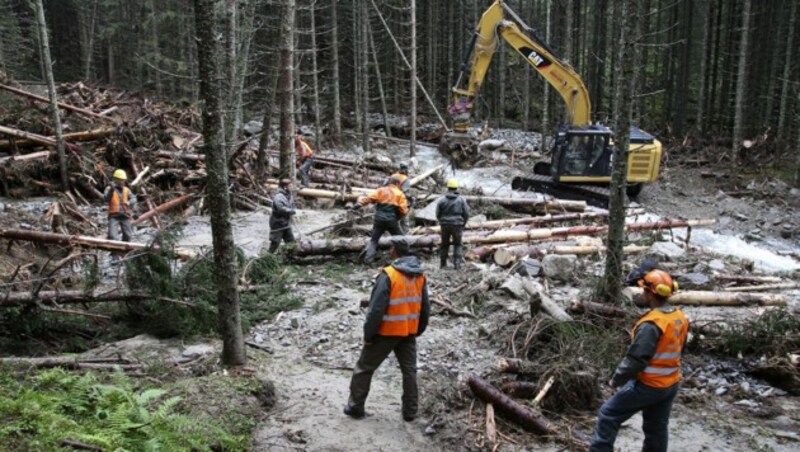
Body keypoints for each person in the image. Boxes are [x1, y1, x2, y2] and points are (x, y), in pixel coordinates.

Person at [590, 269, 688, 452]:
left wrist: (615, 379)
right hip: (670, 383)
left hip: (649, 385)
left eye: (644, 290)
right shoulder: (679, 317)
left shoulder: (652, 324)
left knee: (608, 414)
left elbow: (636, 359)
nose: (642, 293)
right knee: (656, 427)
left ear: (650, 293)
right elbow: (681, 349)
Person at [344, 237, 430, 421]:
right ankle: (410, 411)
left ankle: (355, 406)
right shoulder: (420, 275)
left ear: (394, 251)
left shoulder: (389, 275)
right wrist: (418, 329)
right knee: (409, 371)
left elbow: (376, 310)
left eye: (391, 248)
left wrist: (368, 334)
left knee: (364, 367)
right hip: (408, 331)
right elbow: (425, 307)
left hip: (386, 331)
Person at [355, 177, 408, 263]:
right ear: (398, 184)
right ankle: (405, 258)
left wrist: (358, 205)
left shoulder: (380, 190)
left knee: (374, 240)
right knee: (401, 239)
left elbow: (368, 199)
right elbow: (403, 210)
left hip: (378, 219)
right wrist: (398, 218)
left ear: (389, 182)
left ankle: (367, 260)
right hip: (391, 220)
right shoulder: (400, 194)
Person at [435, 179, 470, 270]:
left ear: (448, 187)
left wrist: (441, 221)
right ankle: (457, 265)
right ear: (456, 188)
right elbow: (466, 214)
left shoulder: (442, 200)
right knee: (458, 244)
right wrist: (463, 223)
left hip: (444, 224)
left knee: (444, 244)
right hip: (457, 224)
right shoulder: (461, 200)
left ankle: (442, 264)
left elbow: (437, 213)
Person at [104, 169, 137, 244]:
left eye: (123, 180)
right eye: (120, 180)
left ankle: (124, 253)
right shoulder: (109, 189)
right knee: (112, 236)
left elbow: (134, 198)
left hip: (125, 215)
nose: (122, 182)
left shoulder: (126, 190)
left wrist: (129, 202)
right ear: (116, 179)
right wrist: (111, 190)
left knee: (128, 236)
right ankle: (114, 253)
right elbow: (106, 199)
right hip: (113, 216)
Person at [268, 178, 296, 253]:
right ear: (285, 187)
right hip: (278, 223)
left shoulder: (289, 195)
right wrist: (291, 211)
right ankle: (267, 256)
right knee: (275, 243)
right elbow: (281, 209)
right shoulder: (278, 197)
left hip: (286, 223)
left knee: (291, 241)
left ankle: (291, 257)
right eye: (290, 186)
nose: (292, 187)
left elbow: (291, 205)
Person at [389, 163, 412, 233]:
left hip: (390, 200)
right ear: (406, 170)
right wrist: (411, 200)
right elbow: (405, 193)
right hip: (399, 201)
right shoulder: (406, 179)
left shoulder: (393, 176)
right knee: (404, 220)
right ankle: (405, 235)